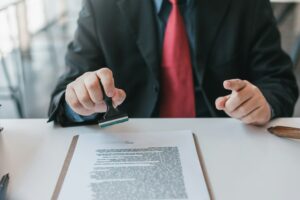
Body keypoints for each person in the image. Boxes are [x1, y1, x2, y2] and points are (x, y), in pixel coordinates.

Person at [48, 0, 299, 127]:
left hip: (227, 139)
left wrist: (263, 104)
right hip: (130, 142)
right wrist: (79, 101)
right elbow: (63, 95)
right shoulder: (101, 4)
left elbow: (279, 82)